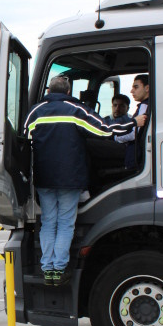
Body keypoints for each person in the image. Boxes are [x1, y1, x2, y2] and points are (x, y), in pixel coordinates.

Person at [23, 75, 142, 286]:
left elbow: (24, 138)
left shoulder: (36, 112)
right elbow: (104, 130)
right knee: (66, 223)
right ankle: (59, 269)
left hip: (44, 177)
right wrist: (134, 122)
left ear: (49, 91)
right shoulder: (76, 110)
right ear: (68, 92)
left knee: (49, 222)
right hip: (70, 178)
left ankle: (47, 269)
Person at [115, 75, 151, 169]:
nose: (132, 91)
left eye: (136, 87)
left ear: (147, 88)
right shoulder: (147, 105)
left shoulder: (144, 106)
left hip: (134, 152)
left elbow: (133, 135)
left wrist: (116, 138)